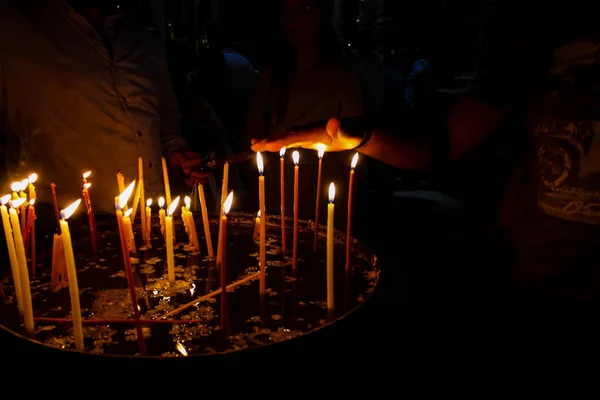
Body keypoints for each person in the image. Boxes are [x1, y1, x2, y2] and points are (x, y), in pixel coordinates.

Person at [252, 1, 600, 321]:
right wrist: (360, 137)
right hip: (540, 279)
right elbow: (442, 144)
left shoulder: (348, 74)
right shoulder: (539, 51)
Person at [0, 0, 208, 213]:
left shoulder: (139, 37)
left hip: (153, 212)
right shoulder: (14, 30)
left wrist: (175, 151)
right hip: (67, 224)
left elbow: (165, 115)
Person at [245, 0, 364, 228]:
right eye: (286, 11)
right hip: (276, 183)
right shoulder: (271, 75)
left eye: (304, 9)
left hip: (322, 185)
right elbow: (253, 133)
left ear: (322, 15)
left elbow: (356, 143)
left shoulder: (343, 77)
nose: (292, 20)